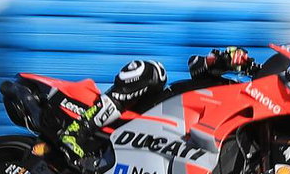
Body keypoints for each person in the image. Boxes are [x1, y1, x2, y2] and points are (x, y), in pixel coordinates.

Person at [55, 46, 257, 165]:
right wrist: (224, 60)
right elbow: (195, 64)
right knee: (153, 71)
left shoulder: (249, 116)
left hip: (177, 143)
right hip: (159, 107)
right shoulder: (233, 86)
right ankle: (76, 132)